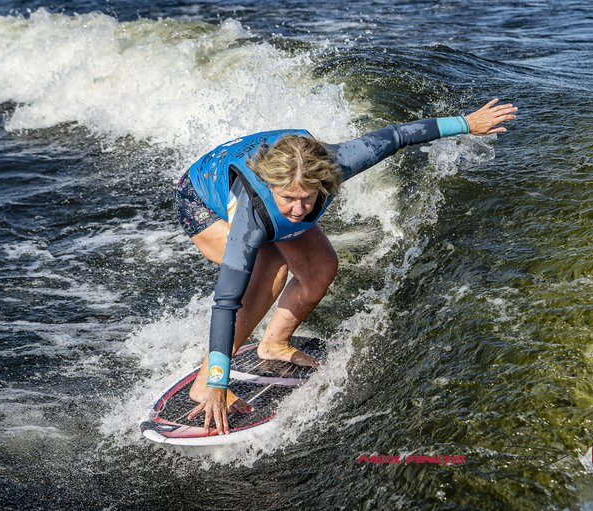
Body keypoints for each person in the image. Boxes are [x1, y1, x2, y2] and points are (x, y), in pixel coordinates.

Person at [172, 99, 518, 435]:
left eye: (308, 198)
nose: (298, 209)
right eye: (289, 199)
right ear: (274, 188)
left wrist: (466, 123)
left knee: (320, 267)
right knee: (272, 262)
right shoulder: (251, 215)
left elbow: (397, 136)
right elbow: (226, 300)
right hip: (202, 197)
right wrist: (220, 379)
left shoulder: (336, 164)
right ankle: (205, 382)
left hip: (277, 179)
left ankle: (274, 343)